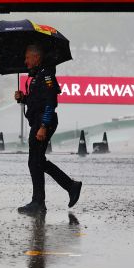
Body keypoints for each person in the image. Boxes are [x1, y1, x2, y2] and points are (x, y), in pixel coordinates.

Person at [14, 43, 82, 215]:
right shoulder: (37, 75)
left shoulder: (46, 75)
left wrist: (43, 126)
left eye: (28, 57)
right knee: (36, 161)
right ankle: (66, 188)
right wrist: (23, 98)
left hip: (44, 122)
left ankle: (40, 202)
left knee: (35, 161)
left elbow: (51, 102)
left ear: (36, 57)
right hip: (38, 122)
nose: (25, 61)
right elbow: (36, 101)